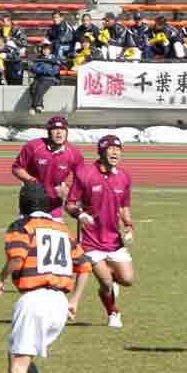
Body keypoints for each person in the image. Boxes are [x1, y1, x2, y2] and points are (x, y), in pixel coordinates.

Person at [0, 182, 92, 373]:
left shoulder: (22, 226)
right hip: (59, 303)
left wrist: (1, 279)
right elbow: (85, 266)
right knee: (25, 354)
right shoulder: (62, 228)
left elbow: (17, 258)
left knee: (16, 365)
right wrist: (75, 301)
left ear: (22, 203)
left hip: (34, 299)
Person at [65, 134, 134, 328]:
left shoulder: (124, 177)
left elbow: (124, 207)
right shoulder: (84, 173)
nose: (115, 152)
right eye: (111, 149)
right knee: (105, 282)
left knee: (127, 280)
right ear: (101, 151)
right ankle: (113, 312)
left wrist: (128, 224)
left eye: (118, 149)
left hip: (114, 241)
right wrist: (80, 214)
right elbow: (69, 204)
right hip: (90, 240)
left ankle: (111, 286)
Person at [11, 115, 83, 220]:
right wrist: (32, 181)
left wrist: (68, 189)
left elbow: (82, 179)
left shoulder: (74, 153)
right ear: (48, 132)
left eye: (63, 129)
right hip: (31, 203)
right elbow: (16, 168)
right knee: (26, 235)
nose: (59, 133)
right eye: (55, 129)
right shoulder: (33, 146)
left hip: (54, 206)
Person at [26, 44, 62, 114]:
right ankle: (40, 105)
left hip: (50, 79)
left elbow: (54, 71)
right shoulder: (39, 58)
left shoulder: (54, 59)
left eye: (47, 49)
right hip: (39, 78)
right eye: (44, 49)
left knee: (40, 87)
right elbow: (33, 68)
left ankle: (33, 106)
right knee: (32, 87)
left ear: (50, 51)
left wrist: (41, 70)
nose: (45, 51)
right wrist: (45, 70)